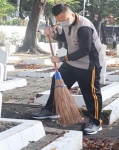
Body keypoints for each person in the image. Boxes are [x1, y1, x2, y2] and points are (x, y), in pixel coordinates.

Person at [32, 4, 105, 135]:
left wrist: (61, 59)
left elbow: (84, 50)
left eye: (63, 20)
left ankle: (96, 122)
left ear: (71, 14)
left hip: (89, 63)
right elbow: (65, 37)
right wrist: (53, 34)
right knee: (57, 80)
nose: (61, 23)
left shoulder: (84, 27)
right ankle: (52, 109)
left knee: (91, 92)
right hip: (73, 62)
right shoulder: (67, 24)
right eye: (58, 21)